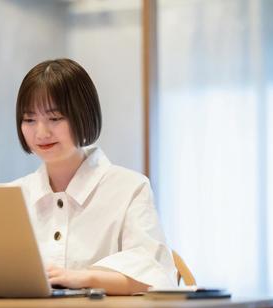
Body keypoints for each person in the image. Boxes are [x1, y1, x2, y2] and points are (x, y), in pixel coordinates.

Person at [13, 58, 177, 295]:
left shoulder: (129, 188)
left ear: (83, 114)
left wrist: (83, 277)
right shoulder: (13, 195)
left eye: (55, 118)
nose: (41, 132)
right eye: (29, 120)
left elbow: (157, 276)